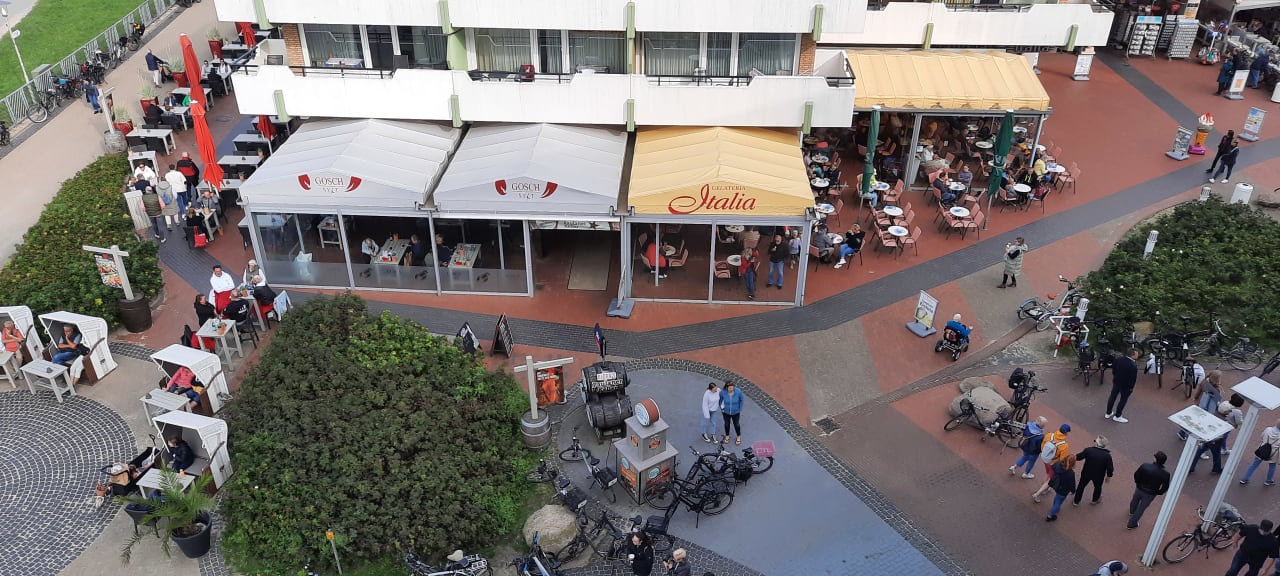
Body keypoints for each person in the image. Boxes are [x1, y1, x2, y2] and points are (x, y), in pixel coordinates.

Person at [1193, 394, 1245, 475]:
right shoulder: (1236, 412)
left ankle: (1192, 465)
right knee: (1216, 450)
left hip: (1214, 426)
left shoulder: (1224, 403)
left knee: (1204, 447)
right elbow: (1239, 422)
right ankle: (1216, 468)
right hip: (1222, 430)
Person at [1128, 451, 1170, 529]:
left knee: (1135, 500)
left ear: (1155, 459)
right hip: (1150, 493)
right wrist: (1158, 492)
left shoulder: (1145, 466)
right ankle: (1131, 524)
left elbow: (1136, 475)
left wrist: (1138, 483)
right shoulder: (1165, 474)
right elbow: (1165, 487)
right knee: (1141, 508)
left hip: (1140, 488)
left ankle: (1132, 511)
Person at [1032, 423, 1071, 503]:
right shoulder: (1064, 445)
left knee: (1047, 473)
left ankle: (1043, 488)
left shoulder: (1049, 435)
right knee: (1050, 479)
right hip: (1054, 463)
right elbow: (1062, 459)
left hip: (1046, 459)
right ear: (1066, 433)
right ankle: (1038, 493)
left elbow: (1043, 445)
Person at [1074, 435, 1114, 506]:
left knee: (1081, 486)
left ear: (1097, 444)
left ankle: (1076, 501)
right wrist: (1109, 476)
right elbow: (1110, 468)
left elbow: (1078, 457)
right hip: (1099, 476)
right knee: (1098, 487)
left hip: (1086, 473)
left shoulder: (1089, 450)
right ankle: (1094, 500)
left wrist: (1071, 458)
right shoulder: (1107, 456)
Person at [1239, 419, 1280, 486]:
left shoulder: (1268, 429)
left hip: (1262, 449)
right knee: (1272, 467)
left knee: (1254, 465)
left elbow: (1262, 436)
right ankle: (1268, 481)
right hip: (1273, 454)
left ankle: (1244, 479)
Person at [1105, 349, 1140, 423]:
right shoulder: (1133, 365)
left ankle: (1108, 413)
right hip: (1126, 386)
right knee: (1123, 400)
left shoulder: (1119, 359)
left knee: (1112, 397)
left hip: (1116, 382)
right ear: (1132, 355)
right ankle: (1117, 416)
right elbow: (1133, 379)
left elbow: (1114, 369)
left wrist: (1115, 377)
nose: (1138, 355)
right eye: (1137, 354)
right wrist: (1131, 388)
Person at [1045, 453, 1077, 521]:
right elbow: (1072, 484)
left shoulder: (1058, 465)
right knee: (1059, 502)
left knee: (1057, 498)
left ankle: (1054, 507)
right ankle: (1050, 515)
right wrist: (1073, 491)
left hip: (1057, 486)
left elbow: (1052, 467)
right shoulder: (1071, 473)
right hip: (1064, 490)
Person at [719, 381, 744, 446]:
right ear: (726, 387)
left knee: (737, 424)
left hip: (736, 412)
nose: (731, 389)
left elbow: (742, 400)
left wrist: (740, 409)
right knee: (727, 424)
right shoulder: (722, 392)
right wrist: (721, 408)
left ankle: (738, 436)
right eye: (730, 388)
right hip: (726, 412)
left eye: (732, 388)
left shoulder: (738, 392)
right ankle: (727, 435)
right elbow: (720, 400)